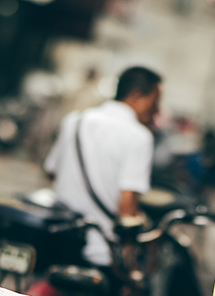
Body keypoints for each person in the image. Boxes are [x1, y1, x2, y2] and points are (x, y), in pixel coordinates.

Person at [45, 66, 159, 266]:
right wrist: (129, 256)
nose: (157, 111)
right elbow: (127, 203)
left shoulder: (75, 120)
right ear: (137, 96)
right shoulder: (139, 137)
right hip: (100, 250)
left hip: (57, 238)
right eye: (155, 102)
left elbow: (52, 172)